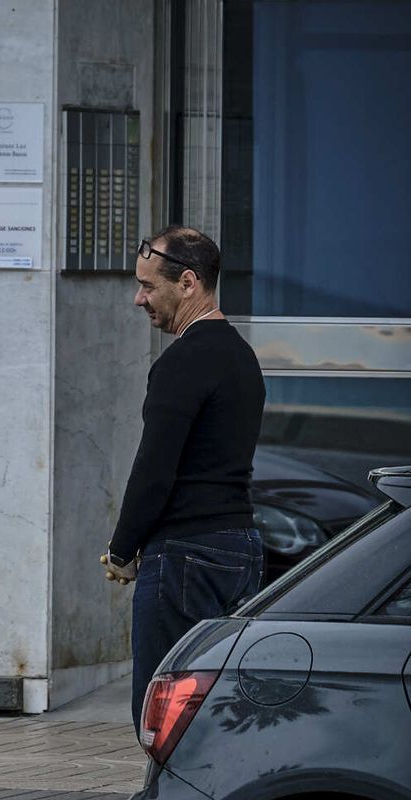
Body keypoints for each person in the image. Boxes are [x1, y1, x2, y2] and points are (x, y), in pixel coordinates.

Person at [102, 226, 266, 731]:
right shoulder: (242, 357)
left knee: (162, 716)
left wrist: (122, 549)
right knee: (221, 712)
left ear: (188, 282)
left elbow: (155, 467)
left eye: (148, 286)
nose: (139, 299)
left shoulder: (182, 361)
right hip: (240, 550)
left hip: (185, 555)